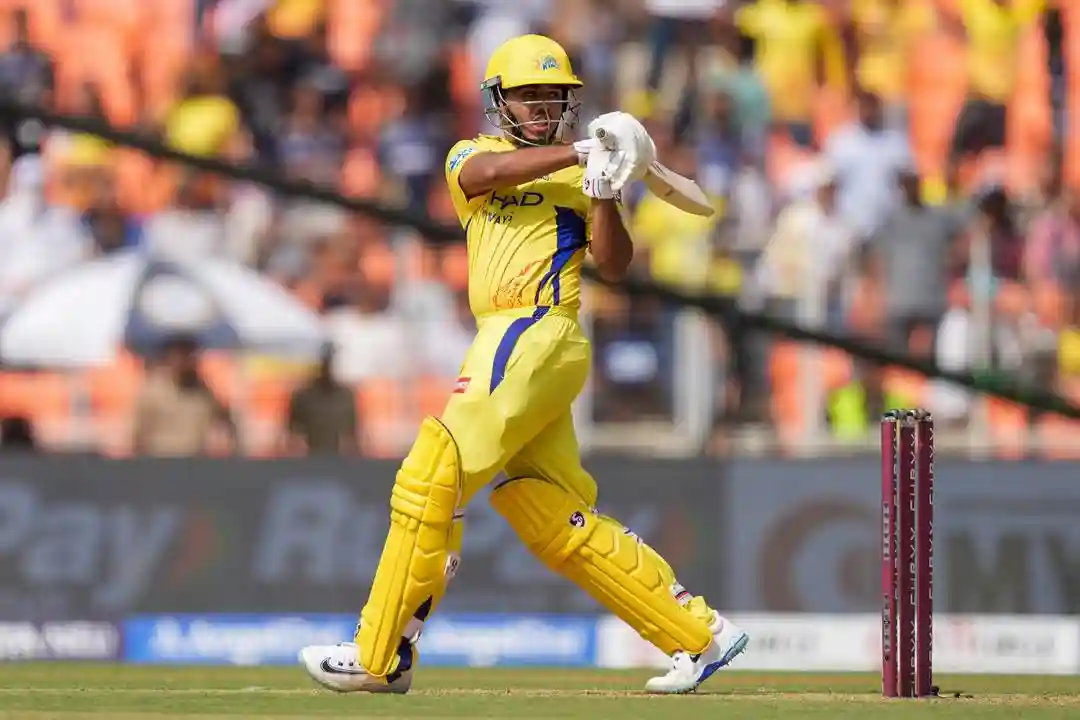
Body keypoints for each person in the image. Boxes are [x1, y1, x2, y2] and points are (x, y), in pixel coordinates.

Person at [298, 34, 747, 696]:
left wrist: (604, 191)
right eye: (527, 96)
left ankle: (379, 653)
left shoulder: (579, 178)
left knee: (432, 476)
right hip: (513, 340)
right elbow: (485, 176)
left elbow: (615, 264)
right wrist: (581, 152)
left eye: (552, 97)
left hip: (536, 328)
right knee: (551, 512)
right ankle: (699, 635)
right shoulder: (471, 154)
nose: (540, 107)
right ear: (500, 102)